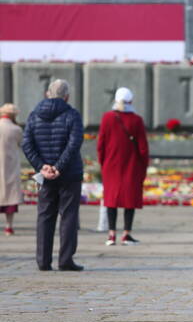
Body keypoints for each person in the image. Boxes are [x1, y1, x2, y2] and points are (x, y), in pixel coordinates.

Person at [22, 79, 84, 272]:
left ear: (47, 94)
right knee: (69, 216)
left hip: (44, 176)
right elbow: (74, 144)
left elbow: (27, 144)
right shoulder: (72, 115)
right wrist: (59, 167)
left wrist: (42, 167)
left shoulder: (34, 115)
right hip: (69, 174)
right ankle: (65, 260)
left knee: (44, 216)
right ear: (67, 96)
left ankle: (43, 260)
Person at [97, 87, 149, 246]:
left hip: (110, 166)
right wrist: (144, 166)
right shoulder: (137, 120)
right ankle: (126, 234)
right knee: (129, 200)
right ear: (131, 101)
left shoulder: (107, 118)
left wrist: (103, 163)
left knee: (111, 199)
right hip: (131, 166)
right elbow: (143, 148)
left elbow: (101, 144)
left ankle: (111, 235)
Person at [0, 103, 22, 236]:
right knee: (10, 198)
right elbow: (21, 143)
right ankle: (9, 226)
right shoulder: (16, 129)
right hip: (10, 165)